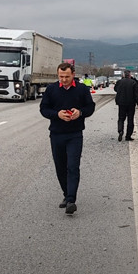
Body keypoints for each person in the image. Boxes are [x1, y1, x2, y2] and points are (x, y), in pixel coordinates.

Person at [39, 62, 96, 215]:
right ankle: (66, 194)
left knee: (72, 166)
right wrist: (57, 114)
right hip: (56, 134)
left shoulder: (82, 89)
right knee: (60, 167)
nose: (63, 79)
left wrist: (80, 112)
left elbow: (90, 107)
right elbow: (43, 109)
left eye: (67, 76)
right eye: (61, 77)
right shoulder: (51, 90)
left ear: (73, 75)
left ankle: (71, 199)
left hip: (75, 134)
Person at [113, 70, 138, 141]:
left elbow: (115, 89)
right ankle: (128, 136)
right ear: (130, 75)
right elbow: (137, 94)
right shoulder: (133, 83)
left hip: (121, 103)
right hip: (131, 104)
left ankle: (120, 131)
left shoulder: (119, 82)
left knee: (121, 118)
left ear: (123, 75)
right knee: (130, 119)